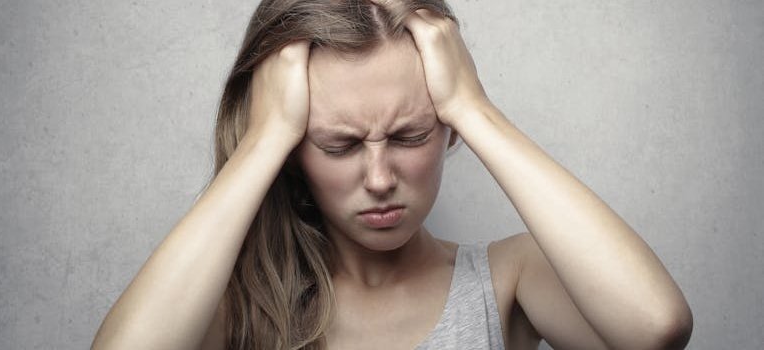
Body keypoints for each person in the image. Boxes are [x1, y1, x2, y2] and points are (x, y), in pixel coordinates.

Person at [91, 0, 693, 349]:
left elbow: (656, 327)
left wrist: (475, 108)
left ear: (448, 128)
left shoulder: (509, 280)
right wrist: (264, 139)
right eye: (340, 144)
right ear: (295, 153)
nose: (380, 178)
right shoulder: (235, 306)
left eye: (410, 136)